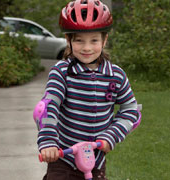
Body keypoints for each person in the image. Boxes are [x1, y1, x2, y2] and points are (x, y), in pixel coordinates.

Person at [34, 0, 141, 179]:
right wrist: (48, 142)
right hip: (63, 157)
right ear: (68, 40)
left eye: (94, 40)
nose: (87, 48)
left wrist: (111, 136)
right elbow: (49, 106)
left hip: (95, 160)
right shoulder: (61, 72)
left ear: (104, 39)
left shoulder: (116, 75)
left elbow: (131, 110)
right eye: (79, 41)